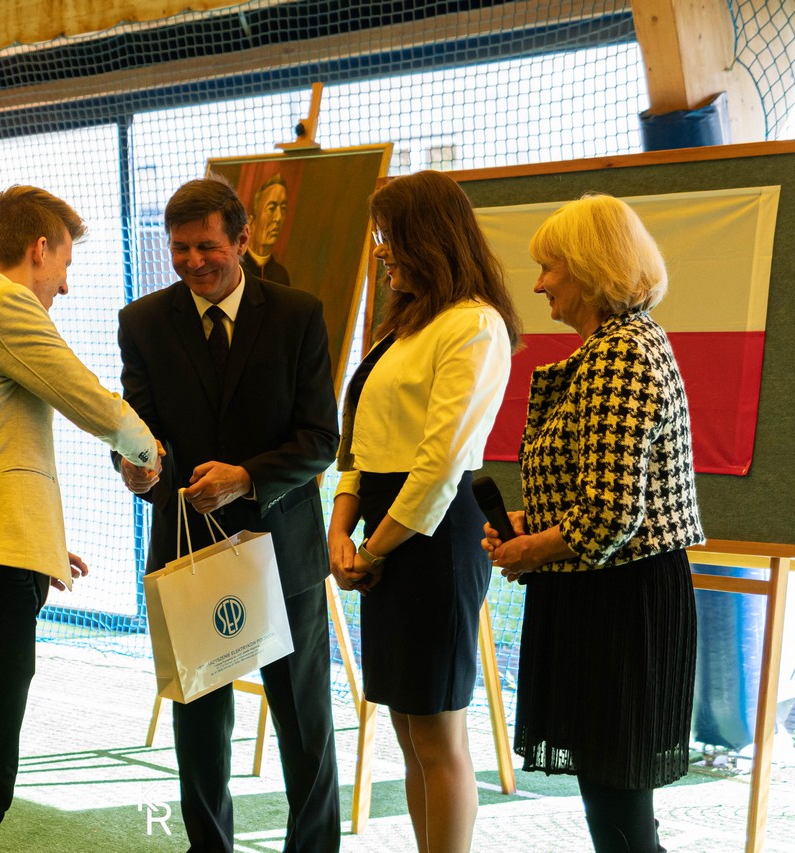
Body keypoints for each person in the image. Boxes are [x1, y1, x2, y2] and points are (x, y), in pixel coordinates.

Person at [0, 185, 159, 852]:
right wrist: (150, 453)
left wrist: (28, 536)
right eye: (65, 265)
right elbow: (90, 400)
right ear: (38, 249)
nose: (66, 286)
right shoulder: (4, 305)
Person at [117, 176, 340, 852]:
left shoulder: (298, 314)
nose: (192, 262)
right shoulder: (142, 322)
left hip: (284, 550)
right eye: (179, 248)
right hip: (189, 549)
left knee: (304, 723)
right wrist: (139, 469)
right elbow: (142, 435)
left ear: (242, 241)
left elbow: (319, 439)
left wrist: (246, 478)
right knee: (200, 726)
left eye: (206, 246)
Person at [483, 194, 703, 853]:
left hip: (617, 605)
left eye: (549, 267)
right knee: (619, 817)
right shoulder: (625, 344)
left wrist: (531, 549)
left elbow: (610, 516)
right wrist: (533, 522)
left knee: (621, 826)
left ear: (589, 268)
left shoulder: (619, 354)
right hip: (613, 594)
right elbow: (604, 491)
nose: (539, 284)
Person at [328, 170, 519, 853]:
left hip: (434, 539)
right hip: (386, 532)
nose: (381, 250)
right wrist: (339, 529)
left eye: (392, 236)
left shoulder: (475, 324)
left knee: (437, 732)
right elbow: (361, 442)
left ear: (429, 237)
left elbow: (439, 463)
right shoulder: (405, 324)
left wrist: (372, 548)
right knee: (407, 729)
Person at [241, 173, 291, 285]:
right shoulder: (235, 267)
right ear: (251, 222)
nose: (278, 218)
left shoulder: (281, 276)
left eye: (283, 209)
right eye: (271, 208)